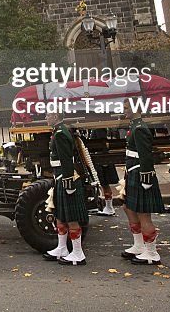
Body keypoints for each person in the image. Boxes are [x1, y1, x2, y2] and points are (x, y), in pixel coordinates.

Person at [42, 111, 88, 265]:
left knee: (72, 218)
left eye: (48, 115)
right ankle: (62, 248)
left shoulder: (61, 133)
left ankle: (78, 253)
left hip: (66, 177)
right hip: (60, 176)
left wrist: (68, 181)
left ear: (55, 116)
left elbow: (66, 159)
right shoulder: (59, 131)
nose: (46, 118)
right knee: (61, 215)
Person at [120, 111, 165, 265]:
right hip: (133, 170)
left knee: (143, 214)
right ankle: (139, 245)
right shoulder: (134, 126)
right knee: (128, 207)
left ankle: (152, 253)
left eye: (126, 107)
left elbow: (145, 154)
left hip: (140, 173)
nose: (123, 110)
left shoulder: (140, 128)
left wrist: (146, 177)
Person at [87, 128, 119, 216]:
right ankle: (108, 206)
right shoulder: (94, 128)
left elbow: (102, 142)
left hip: (101, 159)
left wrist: (104, 160)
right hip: (101, 158)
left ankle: (109, 207)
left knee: (104, 183)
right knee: (103, 184)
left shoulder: (98, 128)